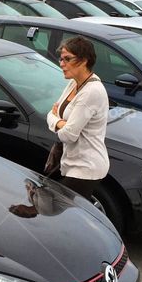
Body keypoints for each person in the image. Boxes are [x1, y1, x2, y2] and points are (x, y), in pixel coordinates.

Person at [46, 36, 109, 201]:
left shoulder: (91, 91)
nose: (61, 64)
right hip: (71, 163)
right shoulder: (74, 83)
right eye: (61, 59)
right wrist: (58, 121)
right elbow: (50, 113)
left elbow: (68, 135)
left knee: (63, 212)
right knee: (70, 214)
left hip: (86, 168)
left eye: (67, 59)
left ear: (83, 61)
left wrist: (56, 120)